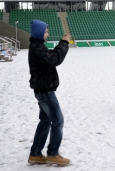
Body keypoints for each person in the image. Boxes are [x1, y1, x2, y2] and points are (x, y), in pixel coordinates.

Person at [28, 19, 71, 166]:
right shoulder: (37, 48)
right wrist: (64, 43)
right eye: (46, 31)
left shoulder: (37, 46)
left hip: (42, 90)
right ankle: (52, 154)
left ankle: (35, 154)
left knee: (45, 121)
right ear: (39, 32)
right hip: (45, 92)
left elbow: (50, 57)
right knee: (58, 121)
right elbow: (54, 59)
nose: (47, 33)